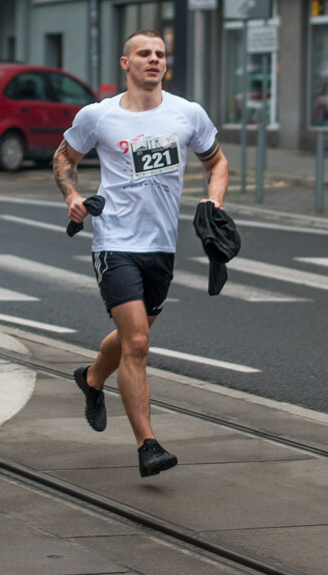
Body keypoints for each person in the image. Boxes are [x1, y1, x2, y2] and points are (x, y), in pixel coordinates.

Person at [53, 29, 229, 478]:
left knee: (134, 335)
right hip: (115, 241)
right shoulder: (99, 116)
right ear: (124, 64)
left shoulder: (187, 114)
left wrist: (213, 202)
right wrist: (72, 196)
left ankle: (92, 378)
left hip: (161, 246)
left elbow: (217, 162)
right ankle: (147, 444)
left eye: (160, 54)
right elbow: (64, 157)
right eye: (143, 53)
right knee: (137, 343)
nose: (153, 59)